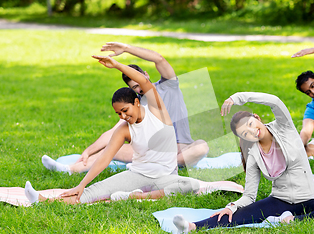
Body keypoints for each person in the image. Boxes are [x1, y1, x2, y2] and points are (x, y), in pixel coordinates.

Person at [25, 55, 242, 204]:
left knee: (189, 185)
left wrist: (117, 64)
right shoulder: (123, 128)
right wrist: (81, 184)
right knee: (93, 192)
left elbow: (143, 81)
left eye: (125, 110)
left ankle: (135, 197)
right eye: (118, 113)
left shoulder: (158, 111)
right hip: (137, 175)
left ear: (137, 102)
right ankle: (43, 199)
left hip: (166, 176)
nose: (123, 116)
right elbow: (105, 158)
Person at [172, 92, 314, 234]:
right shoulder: (254, 155)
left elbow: (274, 101)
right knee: (238, 215)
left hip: (308, 200)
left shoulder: (284, 127)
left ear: (256, 117)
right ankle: (191, 227)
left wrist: (238, 97)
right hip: (280, 200)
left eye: (250, 124)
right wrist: (231, 207)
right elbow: (249, 195)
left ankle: (291, 220)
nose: (252, 131)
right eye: (245, 133)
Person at [41, 42, 209, 174]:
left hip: (182, 148)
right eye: (134, 88)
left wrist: (126, 48)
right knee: (115, 148)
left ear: (145, 75)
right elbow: (115, 131)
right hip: (154, 153)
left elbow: (159, 59)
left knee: (202, 147)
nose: (139, 89)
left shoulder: (168, 86)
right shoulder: (138, 105)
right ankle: (68, 169)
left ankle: (166, 165)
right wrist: (88, 151)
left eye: (139, 83)